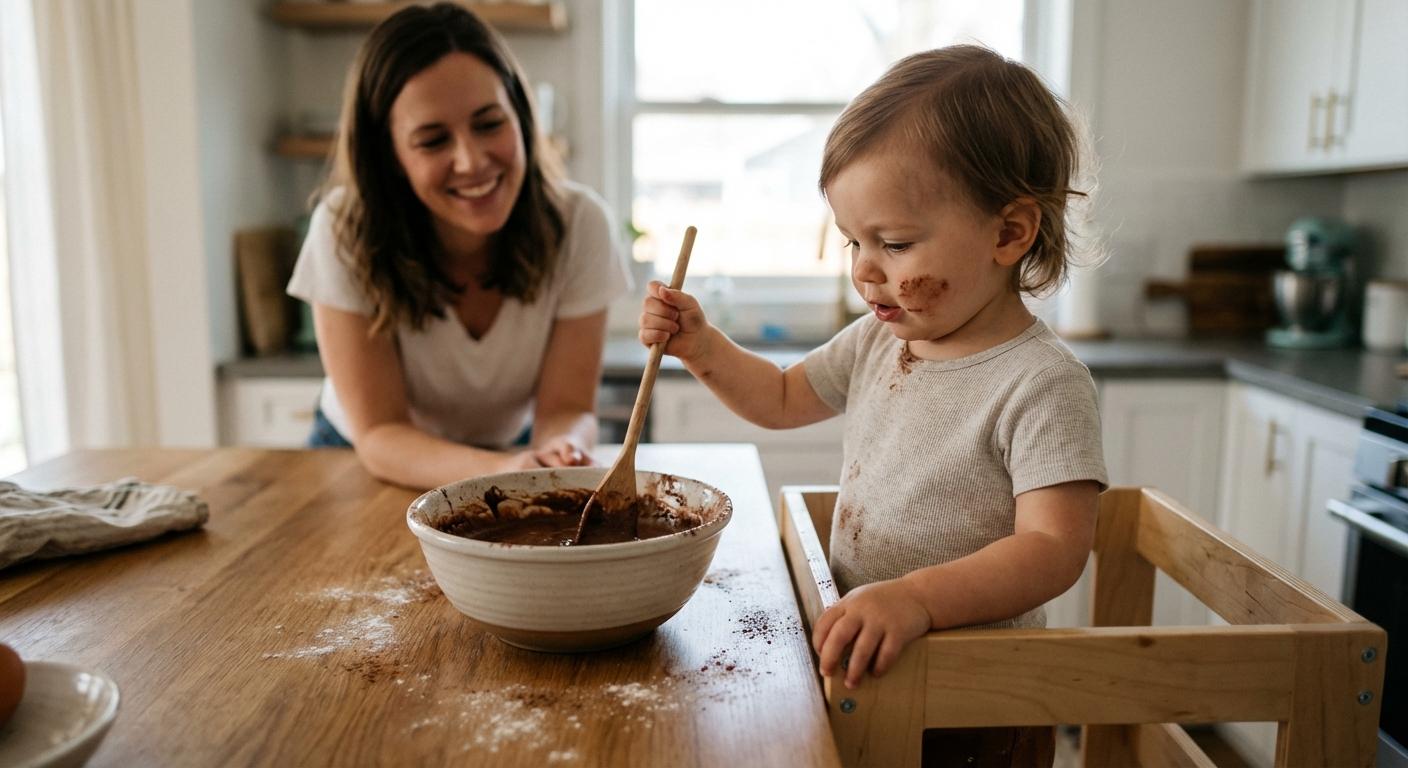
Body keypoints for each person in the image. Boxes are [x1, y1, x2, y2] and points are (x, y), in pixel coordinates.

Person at [638, 45, 1106, 766]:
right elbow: (785, 398)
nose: (864, 269)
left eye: (893, 242)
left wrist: (915, 599)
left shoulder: (1042, 382)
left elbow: (1052, 550)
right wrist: (702, 346)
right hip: (872, 659)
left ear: (1009, 233)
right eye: (855, 241)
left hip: (979, 698)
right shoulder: (880, 341)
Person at [288, 3, 630, 490]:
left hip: (508, 454)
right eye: (432, 141)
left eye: (489, 124)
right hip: (363, 464)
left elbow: (567, 409)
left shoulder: (581, 224)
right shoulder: (343, 229)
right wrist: (500, 471)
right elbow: (381, 433)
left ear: (522, 116)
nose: (471, 161)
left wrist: (562, 449)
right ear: (390, 157)